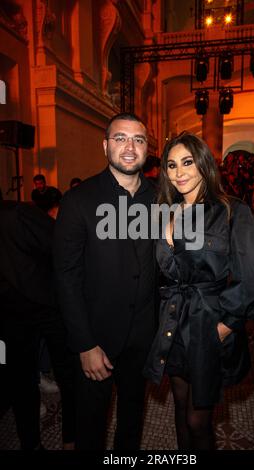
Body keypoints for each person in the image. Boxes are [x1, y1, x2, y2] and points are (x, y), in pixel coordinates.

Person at [143, 132, 254, 450]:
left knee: (197, 420)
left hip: (208, 323)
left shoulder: (232, 211)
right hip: (172, 322)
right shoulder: (162, 212)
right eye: (171, 165)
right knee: (179, 405)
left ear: (204, 164)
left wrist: (224, 326)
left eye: (187, 162)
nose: (179, 172)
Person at [53, 112, 156, 450]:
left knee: (132, 415)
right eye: (120, 138)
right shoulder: (78, 200)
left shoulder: (161, 198)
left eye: (138, 140)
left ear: (147, 149)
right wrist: (84, 343)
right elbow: (66, 277)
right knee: (91, 424)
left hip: (143, 336)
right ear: (105, 145)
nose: (130, 147)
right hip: (95, 337)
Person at [0, 191, 76, 450]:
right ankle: (69, 440)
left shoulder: (17, 214)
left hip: (24, 309)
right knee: (64, 374)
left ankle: (34, 444)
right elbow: (61, 246)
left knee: (22, 382)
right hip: (44, 305)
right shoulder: (18, 213)